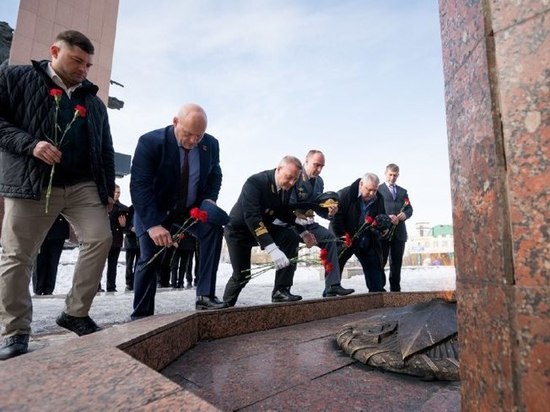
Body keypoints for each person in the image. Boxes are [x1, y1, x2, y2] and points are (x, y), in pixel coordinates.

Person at [0, 30, 115, 360]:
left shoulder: (93, 102)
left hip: (82, 186)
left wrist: (106, 189)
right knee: (18, 254)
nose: (83, 69)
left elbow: (105, 149)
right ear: (54, 51)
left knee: (99, 238)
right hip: (32, 182)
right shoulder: (15, 78)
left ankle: (75, 313)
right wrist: (30, 144)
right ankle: (15, 331)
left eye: (89, 64)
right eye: (77, 60)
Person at [130, 103, 227, 317]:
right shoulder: (150, 142)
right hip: (155, 209)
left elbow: (215, 174)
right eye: (189, 134)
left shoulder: (210, 145)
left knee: (213, 228)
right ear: (175, 122)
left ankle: (205, 296)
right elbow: (139, 186)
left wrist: (210, 200)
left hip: (189, 210)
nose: (193, 141)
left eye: (199, 136)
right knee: (149, 257)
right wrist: (153, 225)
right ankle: (142, 314)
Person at [223, 155, 316, 307]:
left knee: (290, 237)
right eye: (289, 178)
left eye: (295, 179)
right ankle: (223, 308)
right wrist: (272, 248)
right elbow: (252, 218)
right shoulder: (255, 182)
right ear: (278, 169)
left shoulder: (285, 187)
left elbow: (283, 212)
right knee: (242, 275)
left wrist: (303, 231)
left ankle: (281, 291)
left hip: (262, 227)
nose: (292, 183)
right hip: (239, 232)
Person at [289, 150, 354, 297]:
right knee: (289, 248)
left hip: (309, 223)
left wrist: (330, 213)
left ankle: (332, 285)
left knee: (330, 239)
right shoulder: (295, 176)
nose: (319, 169)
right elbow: (288, 206)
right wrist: (302, 230)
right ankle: (282, 290)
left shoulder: (319, 182)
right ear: (306, 161)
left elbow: (318, 207)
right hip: (291, 222)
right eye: (316, 165)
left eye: (322, 166)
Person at [330, 173, 387, 292]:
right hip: (345, 238)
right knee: (335, 268)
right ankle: (331, 293)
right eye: (369, 189)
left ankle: (377, 294)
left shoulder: (379, 198)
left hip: (366, 239)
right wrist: (343, 236)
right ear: (361, 184)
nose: (372, 194)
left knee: (375, 270)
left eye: (375, 190)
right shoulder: (344, 195)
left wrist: (381, 227)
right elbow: (336, 219)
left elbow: (380, 217)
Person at [378, 163, 413, 292]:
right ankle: (378, 289)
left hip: (399, 233)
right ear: (385, 174)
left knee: (396, 264)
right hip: (383, 232)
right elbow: (374, 209)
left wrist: (405, 214)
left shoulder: (403, 191)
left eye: (395, 175)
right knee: (380, 262)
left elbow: (410, 208)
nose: (392, 178)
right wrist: (387, 217)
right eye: (390, 175)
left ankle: (395, 290)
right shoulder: (378, 189)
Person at [32, 215, 70, 295]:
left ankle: (48, 289)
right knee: (40, 261)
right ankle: (39, 288)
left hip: (58, 229)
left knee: (53, 262)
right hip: (40, 230)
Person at [100, 184, 128, 292]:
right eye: (115, 192)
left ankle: (111, 286)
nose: (117, 194)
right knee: (99, 265)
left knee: (113, 265)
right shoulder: (104, 206)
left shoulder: (122, 208)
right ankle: (97, 286)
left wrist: (123, 225)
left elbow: (126, 227)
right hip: (104, 239)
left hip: (116, 240)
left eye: (119, 192)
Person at [123, 205, 139, 291]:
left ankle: (136, 281)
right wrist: (131, 228)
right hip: (130, 241)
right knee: (129, 264)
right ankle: (129, 283)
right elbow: (124, 226)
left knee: (138, 264)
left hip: (140, 242)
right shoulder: (128, 209)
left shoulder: (142, 208)